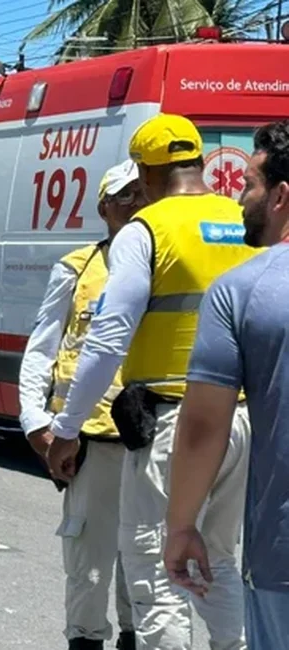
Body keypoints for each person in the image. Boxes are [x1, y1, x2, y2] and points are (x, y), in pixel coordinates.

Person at [45, 114, 260, 650]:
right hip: (241, 417)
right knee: (219, 558)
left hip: (174, 422)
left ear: (146, 172)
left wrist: (68, 425)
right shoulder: (241, 220)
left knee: (155, 565)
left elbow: (108, 338)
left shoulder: (146, 230)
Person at [164, 120, 289, 648]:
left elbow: (202, 426)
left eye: (248, 185)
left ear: (281, 196)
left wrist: (180, 525)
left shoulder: (241, 290)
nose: (238, 198)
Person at [19, 160, 145, 650]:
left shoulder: (165, 266)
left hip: (151, 440)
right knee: (89, 572)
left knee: (143, 571)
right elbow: (42, 348)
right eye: (125, 197)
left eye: (143, 194)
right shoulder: (78, 269)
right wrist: (35, 421)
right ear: (104, 209)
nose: (136, 205)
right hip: (91, 443)